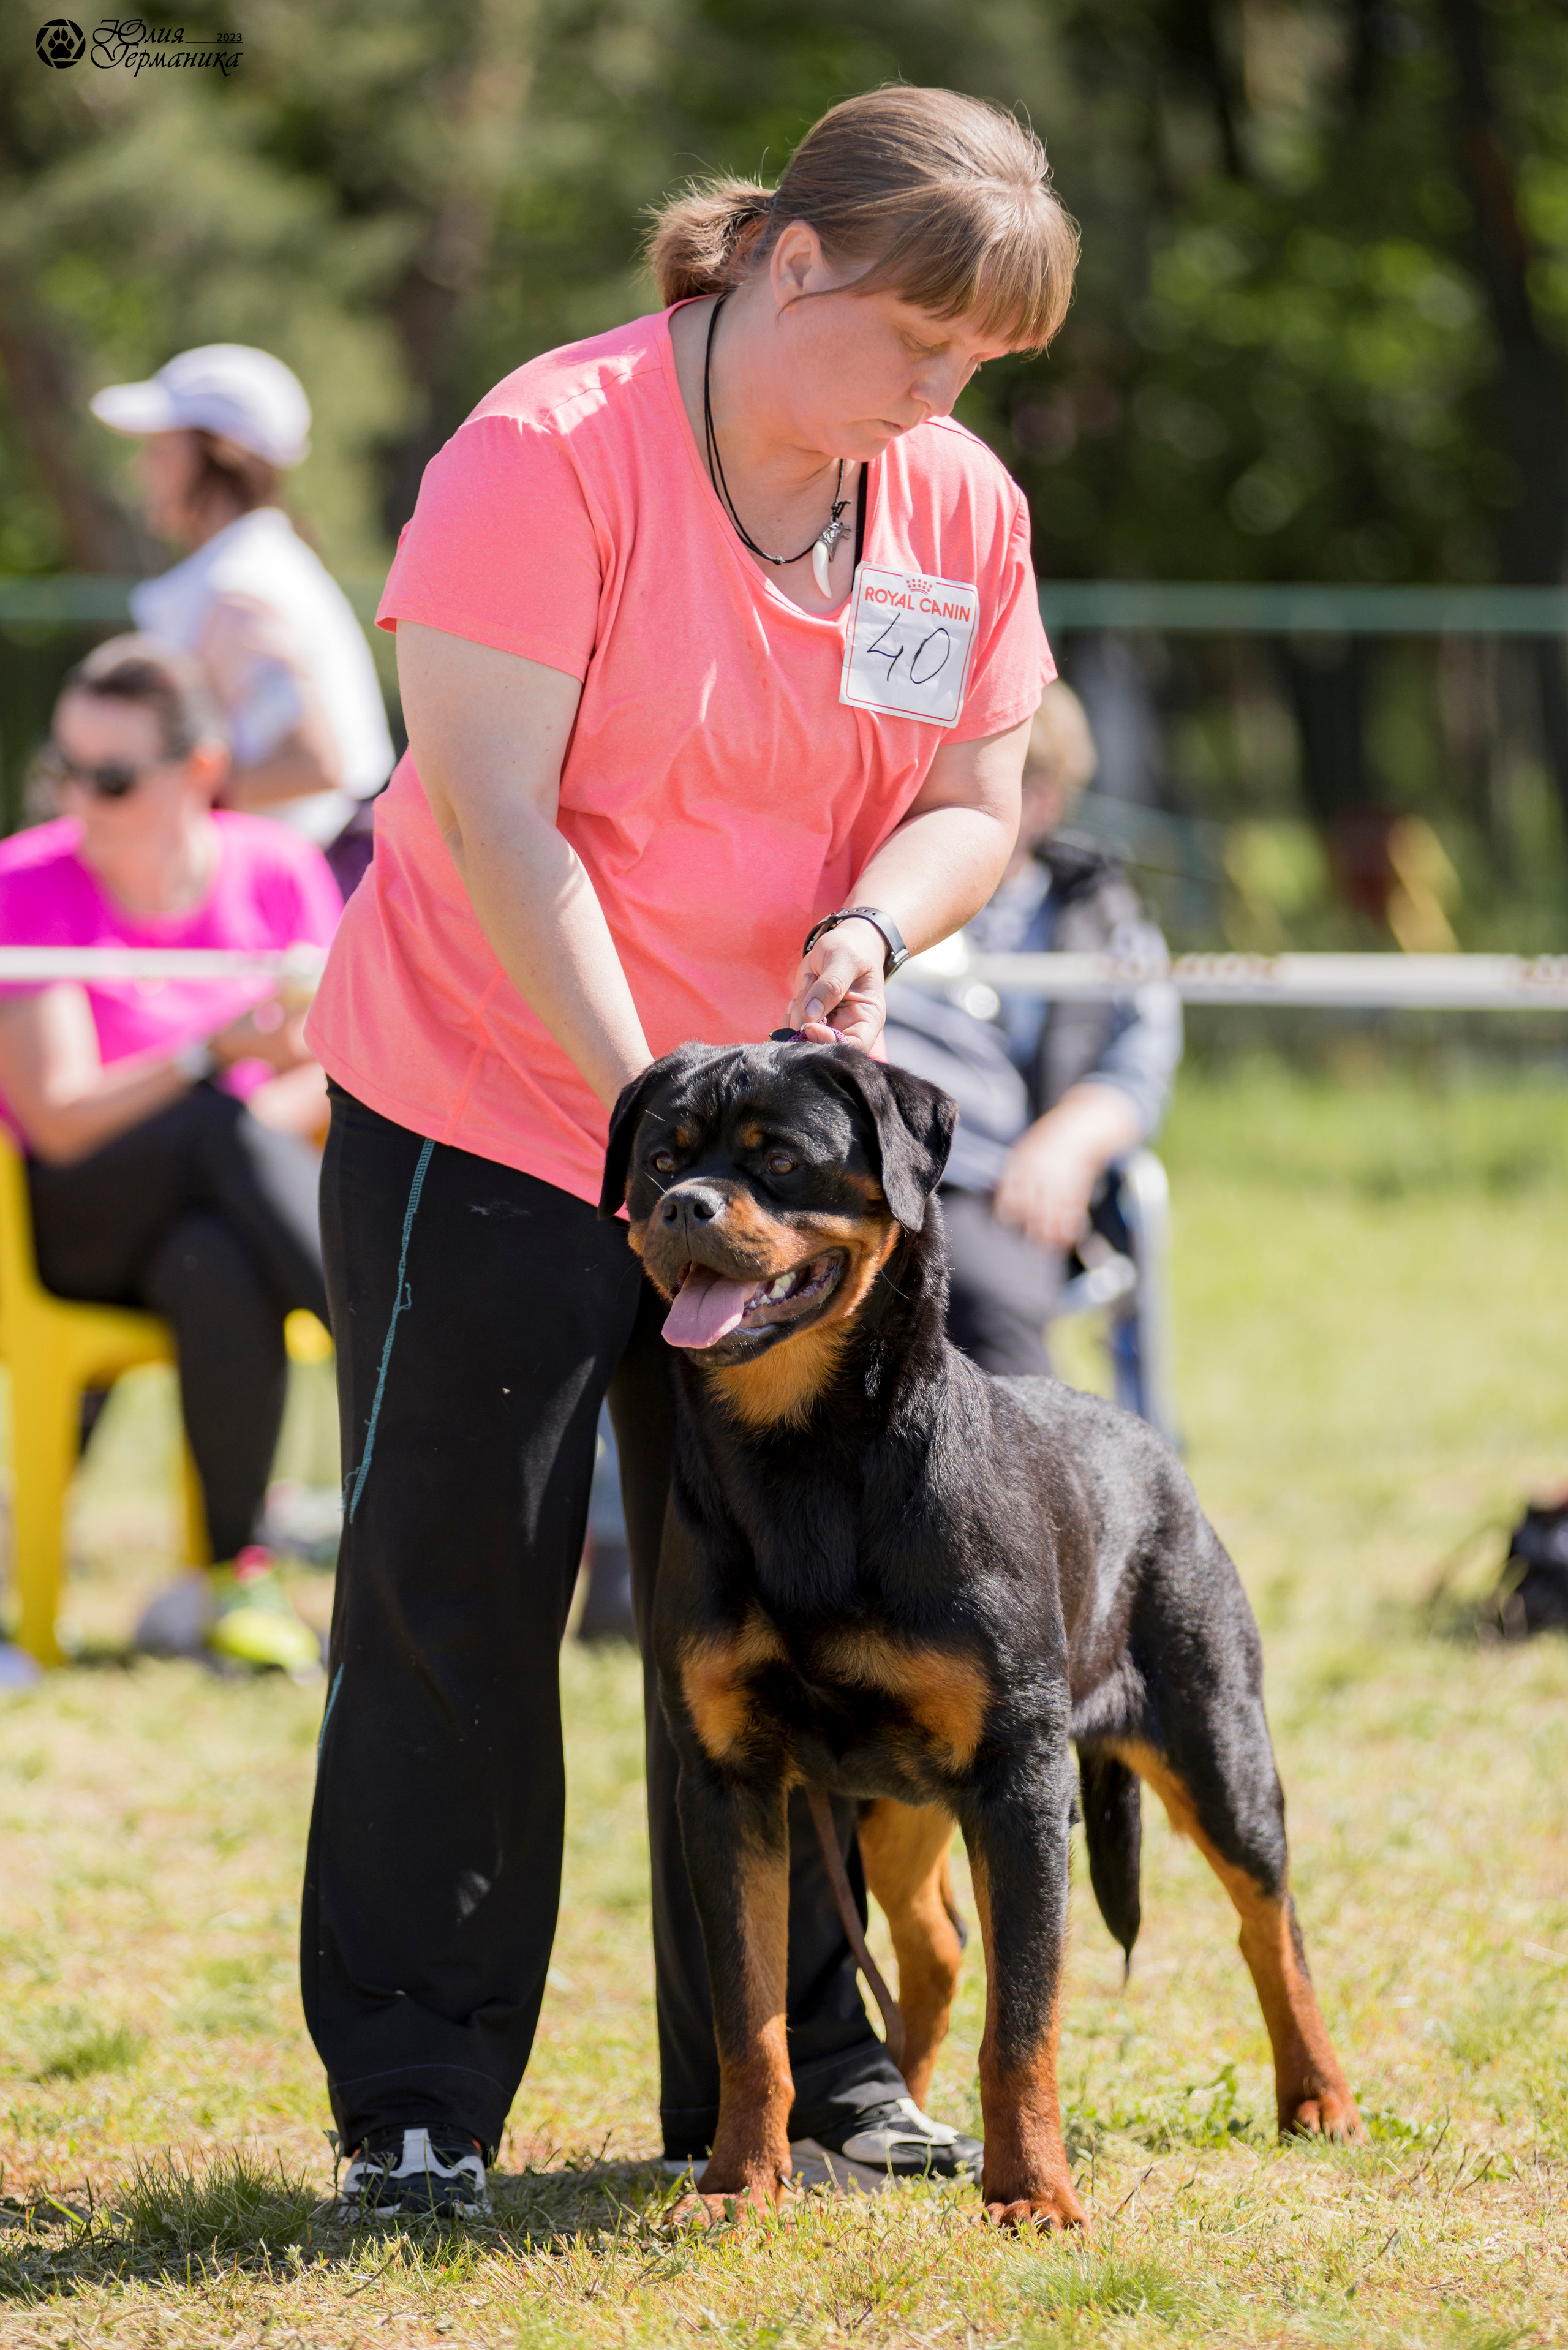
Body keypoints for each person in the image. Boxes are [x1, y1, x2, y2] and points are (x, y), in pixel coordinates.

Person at [299, 85, 1078, 2221]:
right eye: (919, 343)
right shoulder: (542, 457)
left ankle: (812, 2078)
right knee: (463, 1585)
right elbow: (495, 816)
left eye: (977, 369)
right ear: (789, 264)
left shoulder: (950, 504)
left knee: (787, 1586)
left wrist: (876, 921)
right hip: (489, 1091)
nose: (937, 398)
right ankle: (420, 2095)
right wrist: (660, 1141)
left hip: (766, 1142)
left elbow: (977, 793)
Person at [0, 638, 341, 1676]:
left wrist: (242, 1116)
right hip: (72, 1217)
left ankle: (234, 1582)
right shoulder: (28, 882)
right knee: (206, 1119)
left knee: (215, 1260)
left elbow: (337, 1068)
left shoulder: (277, 868)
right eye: (65, 768)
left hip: (220, 1206)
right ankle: (395, 1353)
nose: (78, 796)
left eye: (110, 775)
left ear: (197, 771)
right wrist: (212, 1055)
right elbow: (57, 1116)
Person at [884, 682, 1182, 1376]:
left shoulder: (1100, 915)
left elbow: (1142, 1058)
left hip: (998, 1182)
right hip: (872, 1156)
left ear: (1039, 799)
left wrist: (1070, 1141)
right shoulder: (873, 887)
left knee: (988, 1296)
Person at [90, 345, 396, 895]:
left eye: (162, 447)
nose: (143, 470)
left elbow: (313, 761)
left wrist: (150, 795)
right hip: (318, 875)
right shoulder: (252, 568)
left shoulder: (238, 586)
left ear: (221, 452)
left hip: (315, 887)